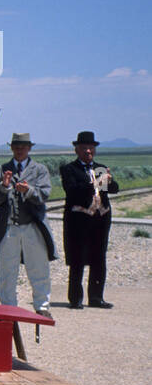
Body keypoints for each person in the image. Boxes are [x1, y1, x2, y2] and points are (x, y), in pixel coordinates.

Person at [0, 133, 55, 317]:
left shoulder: (39, 170)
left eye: (23, 146)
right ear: (11, 148)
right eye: (16, 146)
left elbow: (44, 195)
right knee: (7, 270)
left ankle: (42, 306)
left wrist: (29, 190)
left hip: (33, 226)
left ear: (29, 148)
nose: (20, 149)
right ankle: (9, 308)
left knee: (38, 267)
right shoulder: (2, 170)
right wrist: (4, 187)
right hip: (8, 227)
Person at [60, 131, 119, 309]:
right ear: (77, 150)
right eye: (84, 148)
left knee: (99, 258)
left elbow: (114, 189)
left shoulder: (100, 168)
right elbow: (73, 191)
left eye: (91, 148)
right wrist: (95, 183)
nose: (88, 151)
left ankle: (96, 298)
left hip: (100, 220)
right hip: (79, 221)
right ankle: (76, 299)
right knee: (77, 259)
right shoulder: (69, 169)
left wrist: (109, 180)